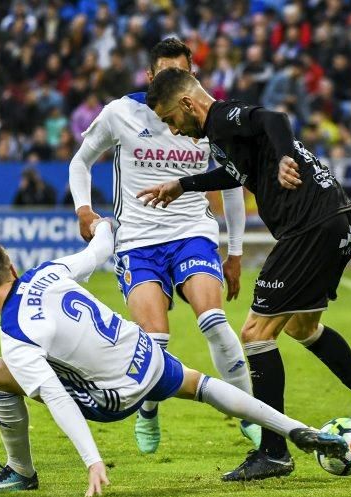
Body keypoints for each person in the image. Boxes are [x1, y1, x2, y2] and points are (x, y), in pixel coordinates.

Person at [138, 68, 351, 482]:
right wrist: (184, 184)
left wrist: (284, 157)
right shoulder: (223, 138)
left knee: (256, 334)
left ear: (188, 104)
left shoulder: (222, 117)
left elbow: (274, 119)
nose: (173, 128)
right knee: (302, 325)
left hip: (310, 228)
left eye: (171, 118)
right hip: (338, 221)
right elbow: (238, 175)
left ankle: (273, 452)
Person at [0, 219, 348, 496]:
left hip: (115, 396)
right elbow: (98, 250)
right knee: (202, 385)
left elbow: (59, 399)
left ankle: (20, 472)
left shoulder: (15, 334)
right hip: (146, 352)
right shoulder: (49, 271)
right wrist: (100, 225)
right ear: (12, 268)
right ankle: (295, 428)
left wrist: (92, 461)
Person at [68, 38, 254, 454]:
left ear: (193, 76)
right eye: (166, 73)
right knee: (156, 340)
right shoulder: (120, 113)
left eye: (181, 74)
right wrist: (84, 209)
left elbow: (233, 182)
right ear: (150, 77)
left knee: (214, 321)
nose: (174, 81)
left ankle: (251, 415)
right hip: (137, 241)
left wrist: (236, 252)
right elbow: (81, 161)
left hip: (192, 233)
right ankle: (149, 410)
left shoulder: (210, 119)